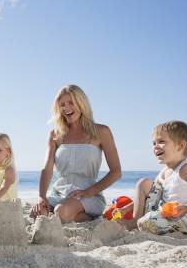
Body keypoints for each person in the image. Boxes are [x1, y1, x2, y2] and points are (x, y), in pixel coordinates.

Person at [30, 84, 122, 223]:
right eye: (62, 105)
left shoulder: (101, 132)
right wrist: (42, 196)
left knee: (61, 211)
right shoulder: (55, 134)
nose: (66, 108)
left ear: (81, 103)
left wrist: (88, 192)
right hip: (59, 193)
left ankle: (89, 216)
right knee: (37, 214)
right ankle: (73, 217)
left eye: (71, 103)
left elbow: (116, 172)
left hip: (88, 195)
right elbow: (47, 168)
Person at [118, 121, 187, 234]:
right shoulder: (165, 171)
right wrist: (125, 209)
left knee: (147, 222)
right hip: (162, 214)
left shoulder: (186, 169)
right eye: (154, 143)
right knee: (143, 183)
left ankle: (139, 222)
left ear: (181, 146)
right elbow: (149, 196)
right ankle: (135, 219)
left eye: (161, 141)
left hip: (182, 221)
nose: (156, 146)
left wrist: (186, 208)